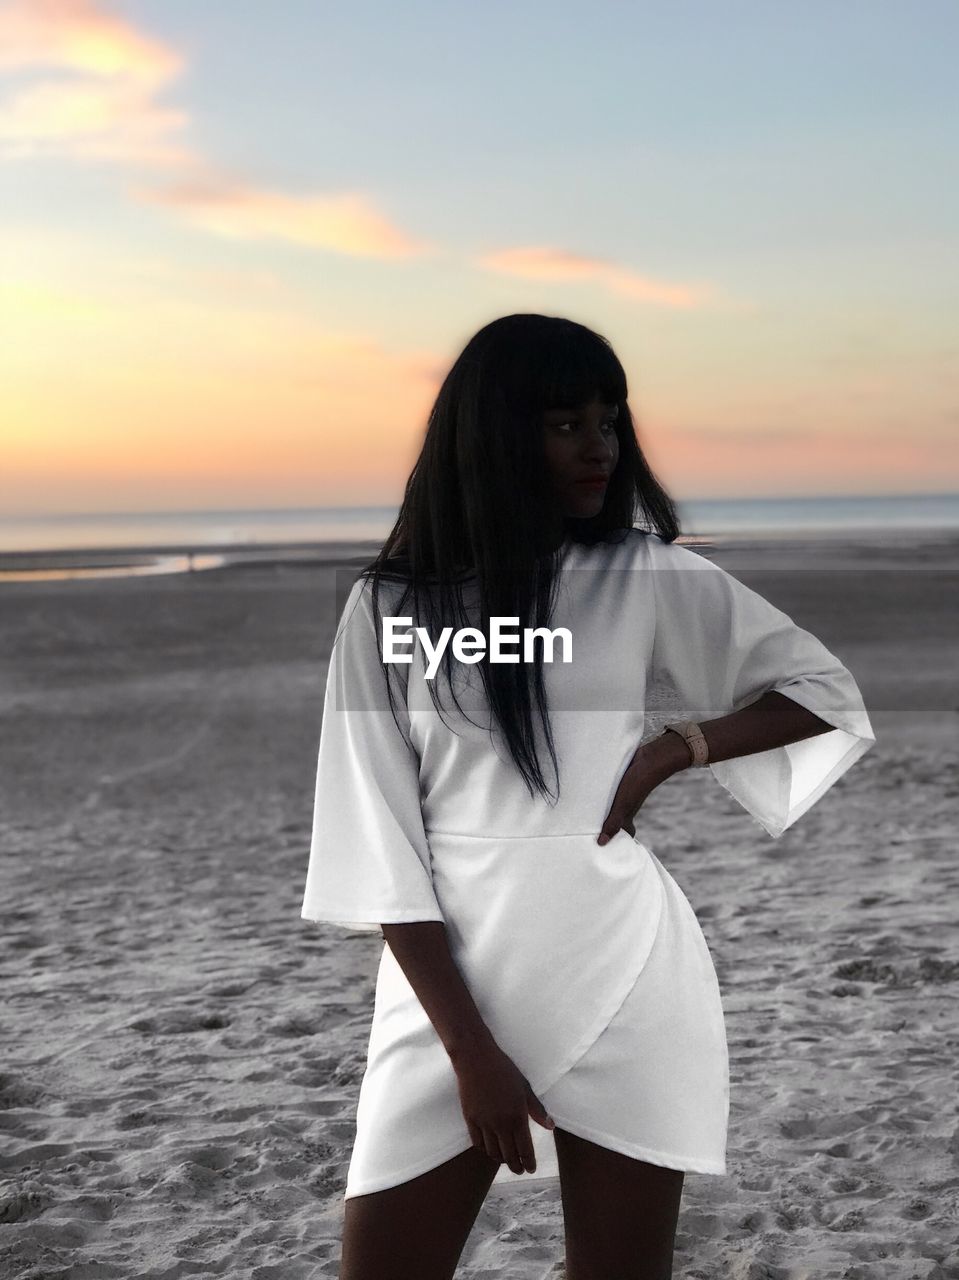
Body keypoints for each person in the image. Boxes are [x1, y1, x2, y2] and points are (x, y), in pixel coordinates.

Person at [300, 313, 876, 1280]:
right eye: (565, 422)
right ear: (493, 434)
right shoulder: (395, 606)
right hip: (453, 987)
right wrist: (470, 1055)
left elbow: (821, 693)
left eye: (609, 420)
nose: (599, 446)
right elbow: (379, 847)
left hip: (622, 967)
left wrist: (671, 750)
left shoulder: (645, 576)